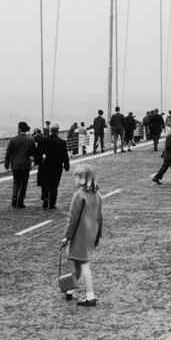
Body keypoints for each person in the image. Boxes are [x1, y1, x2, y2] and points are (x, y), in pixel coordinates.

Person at [60, 165, 103, 306]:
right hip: (91, 233)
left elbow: (72, 218)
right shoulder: (97, 195)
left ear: (84, 179)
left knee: (83, 264)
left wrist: (66, 236)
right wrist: (98, 236)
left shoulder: (79, 195)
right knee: (78, 262)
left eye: (78, 177)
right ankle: (70, 290)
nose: (75, 179)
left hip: (80, 234)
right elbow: (100, 217)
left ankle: (90, 296)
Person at [37, 124, 71, 210]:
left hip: (45, 165)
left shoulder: (44, 140)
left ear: (51, 130)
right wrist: (66, 166)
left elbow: (39, 152)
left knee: (45, 183)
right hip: (57, 166)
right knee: (54, 185)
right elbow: (65, 156)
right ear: (58, 131)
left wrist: (39, 162)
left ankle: (45, 199)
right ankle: (52, 203)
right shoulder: (62, 142)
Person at [4, 121, 37, 209]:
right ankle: (20, 202)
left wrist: (6, 164)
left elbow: (8, 153)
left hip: (15, 165)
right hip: (25, 165)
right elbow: (33, 152)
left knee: (16, 181)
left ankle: (14, 197)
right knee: (23, 183)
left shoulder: (13, 140)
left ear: (19, 129)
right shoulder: (31, 140)